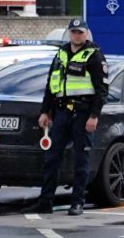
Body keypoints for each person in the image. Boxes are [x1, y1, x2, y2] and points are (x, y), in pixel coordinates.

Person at [24, 18, 108, 216]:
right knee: (51, 158)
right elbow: (51, 85)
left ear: (86, 34)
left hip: (83, 113)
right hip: (61, 113)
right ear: (69, 33)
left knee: (81, 159)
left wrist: (94, 116)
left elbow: (102, 90)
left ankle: (77, 202)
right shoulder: (60, 54)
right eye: (73, 32)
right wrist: (45, 111)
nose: (76, 35)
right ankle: (46, 202)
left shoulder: (94, 56)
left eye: (80, 32)